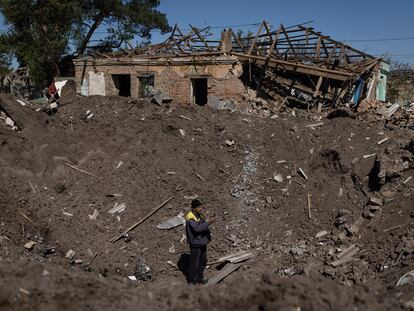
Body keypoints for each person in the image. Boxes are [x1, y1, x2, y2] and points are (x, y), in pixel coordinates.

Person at [185, 198, 215, 284]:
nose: (201, 209)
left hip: (202, 242)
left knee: (202, 262)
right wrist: (208, 222)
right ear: (194, 208)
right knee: (194, 264)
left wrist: (208, 221)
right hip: (195, 243)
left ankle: (199, 278)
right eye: (199, 207)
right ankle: (192, 282)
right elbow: (197, 229)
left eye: (201, 207)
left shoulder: (200, 215)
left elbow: (203, 225)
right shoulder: (190, 217)